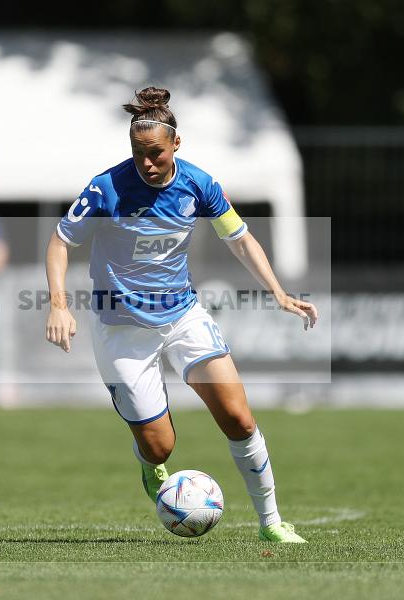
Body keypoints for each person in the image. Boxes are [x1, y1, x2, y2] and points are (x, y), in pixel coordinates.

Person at [44, 87, 318, 543]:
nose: (146, 163)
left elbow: (239, 238)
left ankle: (272, 523)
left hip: (182, 316)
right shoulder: (106, 188)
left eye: (155, 153)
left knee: (238, 417)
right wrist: (58, 304)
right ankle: (149, 462)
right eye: (138, 153)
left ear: (176, 144)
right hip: (121, 329)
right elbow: (59, 241)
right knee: (160, 446)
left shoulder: (199, 184)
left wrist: (278, 291)